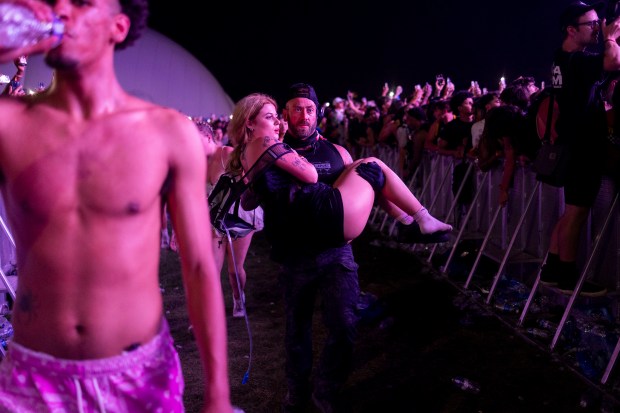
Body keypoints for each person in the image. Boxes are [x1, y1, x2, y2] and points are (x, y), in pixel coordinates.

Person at [0, 0, 233, 412]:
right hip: (32, 379)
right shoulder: (9, 123)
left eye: (82, 3)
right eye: (55, 2)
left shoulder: (166, 132)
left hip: (140, 376)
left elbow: (199, 267)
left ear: (118, 28)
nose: (62, 11)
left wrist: (217, 393)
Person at [227, 85, 451, 412]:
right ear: (284, 115)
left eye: (309, 109)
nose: (301, 115)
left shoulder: (337, 152)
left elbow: (369, 188)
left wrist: (394, 216)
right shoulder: (270, 146)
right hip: (295, 254)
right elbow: (258, 194)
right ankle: (297, 394)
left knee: (345, 325)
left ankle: (327, 390)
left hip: (334, 251)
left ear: (318, 113)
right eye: (292, 110)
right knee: (297, 331)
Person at [539, 1, 620, 297]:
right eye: (592, 24)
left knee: (570, 210)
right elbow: (613, 62)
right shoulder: (577, 60)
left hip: (572, 142)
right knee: (576, 212)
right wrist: (611, 39)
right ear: (572, 30)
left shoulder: (561, 57)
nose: (598, 29)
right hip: (583, 145)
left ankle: (553, 268)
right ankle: (568, 278)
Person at [200, 119, 264, 318]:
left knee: (234, 270)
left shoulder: (227, 154)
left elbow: (250, 180)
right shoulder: (197, 163)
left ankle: (238, 298)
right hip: (215, 221)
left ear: (208, 137)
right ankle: (209, 315)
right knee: (211, 270)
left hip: (240, 217)